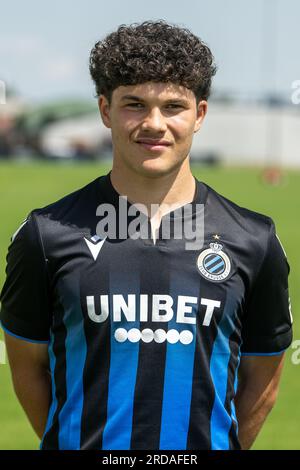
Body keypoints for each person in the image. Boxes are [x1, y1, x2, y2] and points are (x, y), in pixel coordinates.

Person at [0, 20, 293, 451]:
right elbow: (27, 368)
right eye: (134, 104)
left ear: (200, 115)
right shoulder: (45, 235)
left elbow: (263, 384)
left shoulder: (254, 239)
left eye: (174, 106)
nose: (154, 124)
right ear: (105, 110)